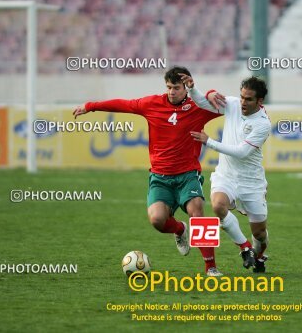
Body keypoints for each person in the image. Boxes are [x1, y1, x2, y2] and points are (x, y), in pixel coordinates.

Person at [72, 66, 223, 276]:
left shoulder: (198, 107)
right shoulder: (152, 104)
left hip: (188, 174)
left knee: (197, 210)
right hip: (160, 178)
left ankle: (211, 267)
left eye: (176, 87)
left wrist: (210, 92)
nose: (171, 91)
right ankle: (179, 230)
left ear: (186, 87)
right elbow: (123, 105)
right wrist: (91, 106)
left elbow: (226, 106)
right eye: (169, 87)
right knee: (157, 220)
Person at [181, 73, 272, 273]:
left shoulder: (262, 124)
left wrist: (209, 141)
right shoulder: (232, 104)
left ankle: (258, 255)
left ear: (259, 101)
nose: (243, 102)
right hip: (226, 175)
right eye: (241, 97)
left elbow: (241, 152)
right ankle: (244, 247)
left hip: (251, 182)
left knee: (260, 234)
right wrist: (192, 89)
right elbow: (204, 103)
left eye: (248, 99)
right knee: (218, 205)